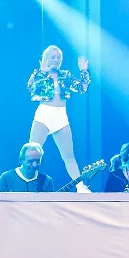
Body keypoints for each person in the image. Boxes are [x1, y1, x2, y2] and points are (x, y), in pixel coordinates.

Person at [27, 46, 91, 191]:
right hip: (44, 114)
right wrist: (43, 72)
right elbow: (31, 88)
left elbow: (82, 88)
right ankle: (26, 185)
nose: (56, 60)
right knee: (32, 153)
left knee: (69, 156)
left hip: (61, 115)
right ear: (46, 59)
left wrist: (83, 71)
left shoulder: (65, 75)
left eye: (58, 58)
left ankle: (81, 187)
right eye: (53, 57)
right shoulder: (39, 74)